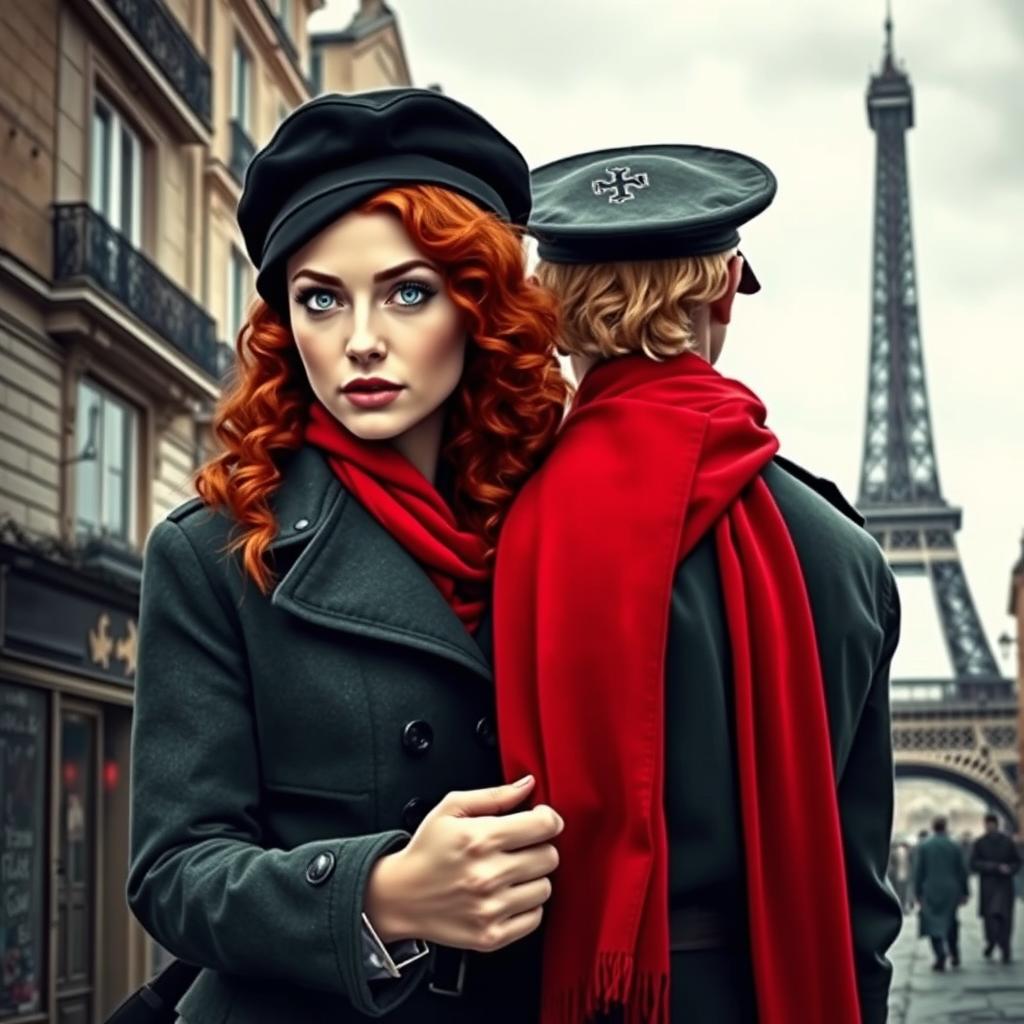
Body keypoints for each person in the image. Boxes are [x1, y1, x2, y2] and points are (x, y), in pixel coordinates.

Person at [126, 89, 570, 1023]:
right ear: (285, 323)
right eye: (319, 299)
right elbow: (173, 871)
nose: (360, 341)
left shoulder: (571, 523)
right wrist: (381, 896)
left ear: (478, 304)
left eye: (409, 291)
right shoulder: (214, 551)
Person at [493, 145, 903, 1024]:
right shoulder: (841, 551)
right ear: (724, 292)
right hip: (769, 988)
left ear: (552, 311)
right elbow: (861, 885)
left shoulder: (494, 526)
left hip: (560, 988)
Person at [914, 816, 969, 972]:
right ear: (945, 827)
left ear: (933, 827)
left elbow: (919, 871)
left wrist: (917, 892)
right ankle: (954, 953)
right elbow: (962, 871)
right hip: (951, 890)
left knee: (932, 923)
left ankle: (940, 955)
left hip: (930, 889)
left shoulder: (924, 846)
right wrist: (965, 892)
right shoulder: (955, 846)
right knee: (951, 922)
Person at [969, 812, 1022, 962]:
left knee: (1004, 919)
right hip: (993, 886)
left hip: (1000, 886)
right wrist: (997, 867)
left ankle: (1004, 947)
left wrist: (1009, 869)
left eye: (990, 824)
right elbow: (973, 864)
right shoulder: (980, 843)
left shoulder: (1005, 842)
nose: (989, 826)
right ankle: (993, 943)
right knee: (992, 919)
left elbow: (1017, 862)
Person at [888, 841, 914, 913]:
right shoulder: (907, 852)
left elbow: (891, 866)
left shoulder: (893, 853)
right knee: (904, 893)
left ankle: (900, 908)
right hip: (905, 876)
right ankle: (903, 908)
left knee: (898, 893)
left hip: (897, 876)